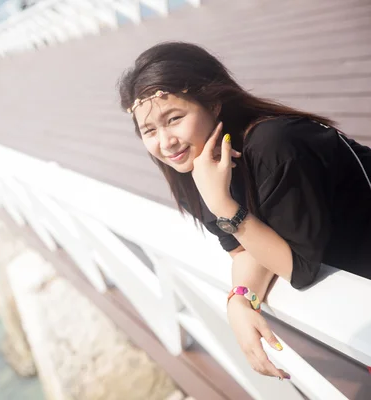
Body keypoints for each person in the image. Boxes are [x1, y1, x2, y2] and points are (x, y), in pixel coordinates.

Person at [118, 42, 371, 380]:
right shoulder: (202, 166)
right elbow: (246, 249)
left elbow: (297, 267)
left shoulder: (274, 144)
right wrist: (239, 300)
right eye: (149, 130)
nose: (165, 142)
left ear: (213, 103)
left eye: (174, 119)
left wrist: (222, 204)